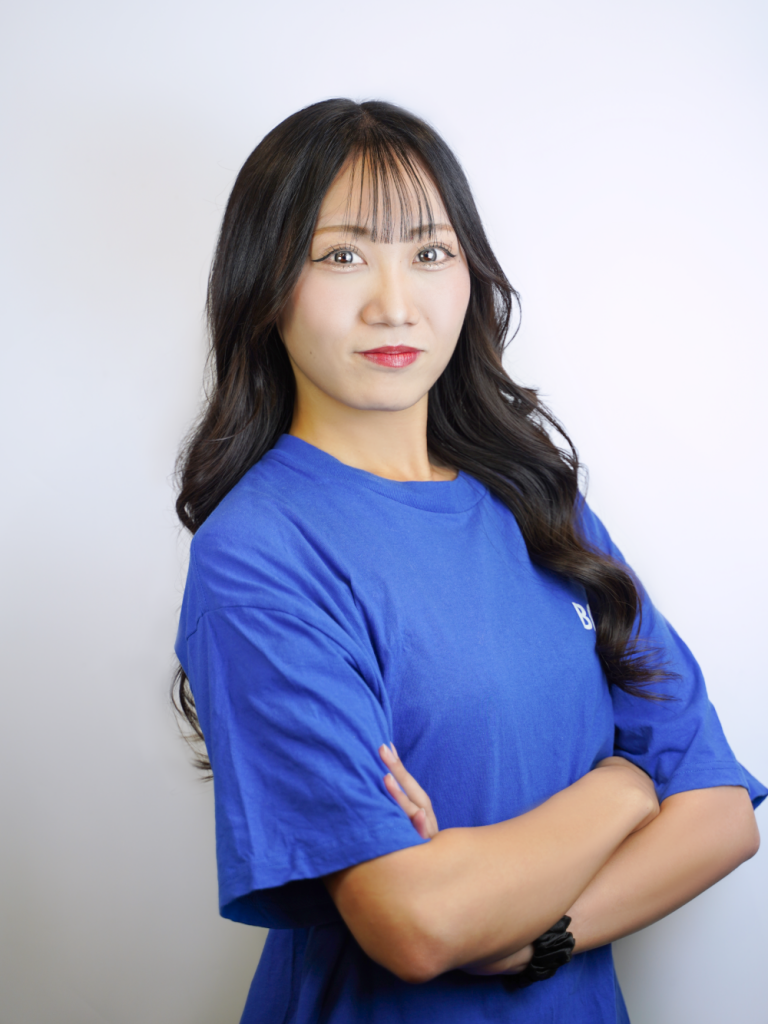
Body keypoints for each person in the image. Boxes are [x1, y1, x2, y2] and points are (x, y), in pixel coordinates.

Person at [173, 98, 764, 1024]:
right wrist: (626, 784)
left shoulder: (541, 502)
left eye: (430, 252)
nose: (394, 304)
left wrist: (529, 933)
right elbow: (415, 924)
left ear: (470, 276)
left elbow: (722, 814)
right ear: (266, 282)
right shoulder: (258, 551)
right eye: (341, 256)